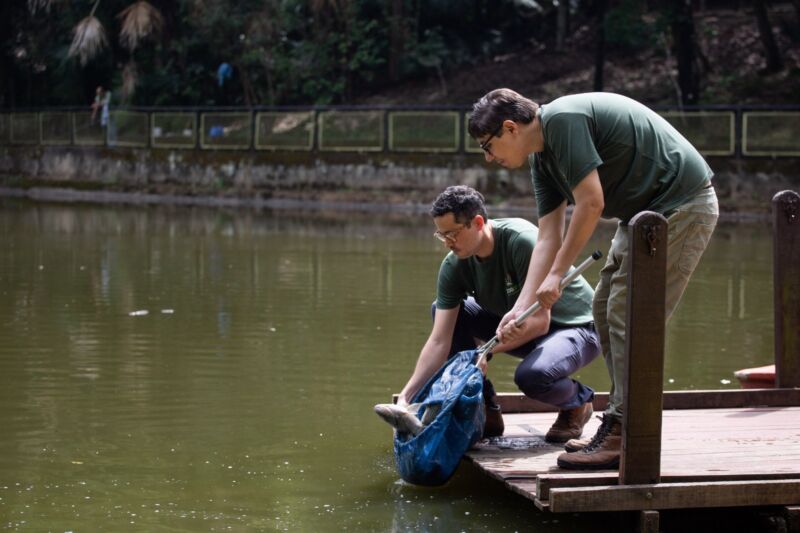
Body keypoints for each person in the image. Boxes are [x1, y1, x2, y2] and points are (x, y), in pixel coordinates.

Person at [468, 90, 719, 469]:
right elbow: (548, 235)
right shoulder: (543, 161)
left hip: (682, 205)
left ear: (510, 128)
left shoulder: (562, 122)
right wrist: (520, 308)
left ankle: (625, 431)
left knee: (629, 315)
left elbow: (591, 203)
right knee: (602, 308)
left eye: (488, 146)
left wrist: (557, 275)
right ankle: (618, 423)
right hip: (643, 214)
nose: (489, 159)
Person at [397, 185, 601, 443]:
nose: (448, 243)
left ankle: (577, 404)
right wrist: (406, 397)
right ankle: (485, 407)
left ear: (478, 222)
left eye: (453, 234)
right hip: (521, 324)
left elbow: (539, 322)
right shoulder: (454, 265)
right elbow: (439, 340)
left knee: (532, 376)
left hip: (576, 327)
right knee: (443, 311)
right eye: (441, 235)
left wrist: (484, 353)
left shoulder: (521, 242)